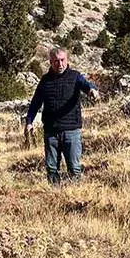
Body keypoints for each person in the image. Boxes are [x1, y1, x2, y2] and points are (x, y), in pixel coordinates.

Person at [24, 47, 100, 184]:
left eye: (62, 60)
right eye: (56, 61)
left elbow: (86, 85)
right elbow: (35, 103)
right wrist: (29, 121)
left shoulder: (75, 76)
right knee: (52, 168)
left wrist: (92, 90)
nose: (60, 64)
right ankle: (54, 196)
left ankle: (75, 196)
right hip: (51, 131)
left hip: (71, 130)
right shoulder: (45, 81)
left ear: (67, 59)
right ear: (50, 62)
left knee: (74, 168)